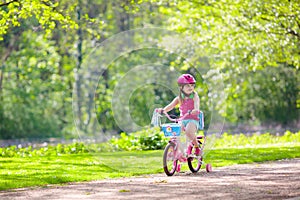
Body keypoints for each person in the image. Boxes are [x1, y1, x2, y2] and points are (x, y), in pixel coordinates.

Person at [158, 74, 200, 156]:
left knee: (189, 131)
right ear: (181, 87)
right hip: (182, 119)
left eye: (192, 85)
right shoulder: (179, 98)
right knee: (175, 133)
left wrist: (196, 109)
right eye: (187, 85)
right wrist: (163, 110)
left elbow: (196, 103)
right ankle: (179, 153)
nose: (190, 87)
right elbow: (171, 106)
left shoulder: (194, 96)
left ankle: (197, 147)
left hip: (193, 119)